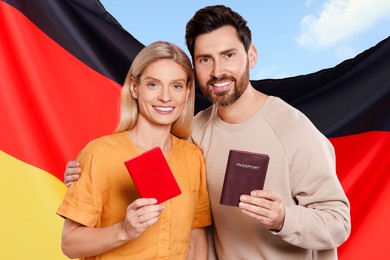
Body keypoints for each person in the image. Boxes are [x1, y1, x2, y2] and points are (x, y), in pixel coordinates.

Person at [64, 5, 351, 259]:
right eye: (204, 59)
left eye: (228, 55)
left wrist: (283, 218)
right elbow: (138, 157)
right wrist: (84, 172)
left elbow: (339, 222)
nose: (217, 71)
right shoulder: (194, 133)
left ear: (251, 56)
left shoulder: (294, 129)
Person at [57, 41, 211, 260]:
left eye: (176, 86)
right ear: (134, 87)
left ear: (187, 93)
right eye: (153, 84)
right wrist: (124, 231)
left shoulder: (193, 157)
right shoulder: (100, 153)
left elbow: (196, 239)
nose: (165, 97)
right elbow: (70, 245)